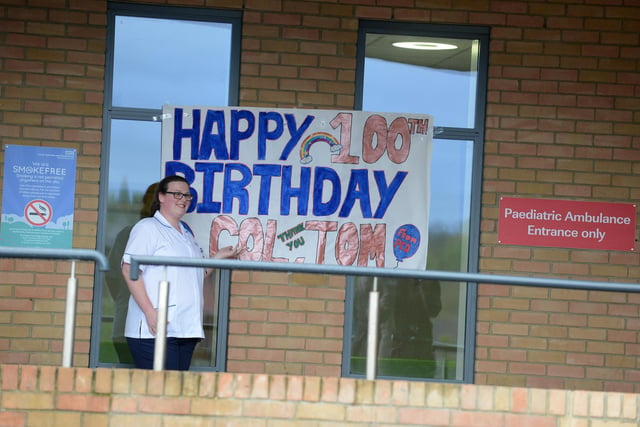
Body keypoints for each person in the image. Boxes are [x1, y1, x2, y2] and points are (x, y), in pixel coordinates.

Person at [121, 175, 242, 370]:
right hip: (155, 330)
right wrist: (150, 313)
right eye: (177, 194)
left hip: (185, 329)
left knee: (175, 393)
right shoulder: (148, 228)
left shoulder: (185, 234)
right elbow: (129, 269)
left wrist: (217, 258)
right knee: (161, 394)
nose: (183, 199)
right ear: (161, 197)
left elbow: (195, 276)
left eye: (187, 195)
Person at [105, 182, 158, 364]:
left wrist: (122, 297)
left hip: (131, 322)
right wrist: (125, 297)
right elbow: (112, 275)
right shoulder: (129, 233)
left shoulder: (126, 234)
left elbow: (112, 277)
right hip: (132, 325)